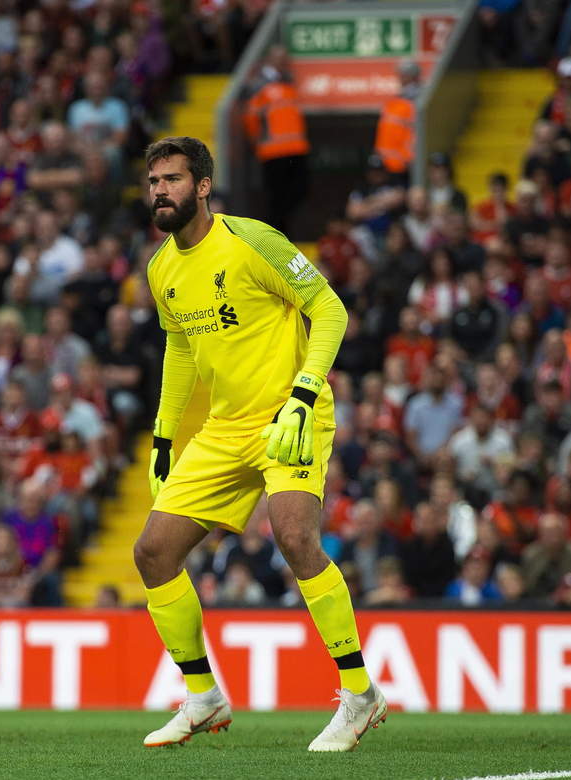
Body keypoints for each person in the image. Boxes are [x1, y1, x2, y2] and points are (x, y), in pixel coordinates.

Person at [134, 137, 385, 751]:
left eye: (172, 179)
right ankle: (203, 697)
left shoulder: (252, 241)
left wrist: (304, 392)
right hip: (225, 427)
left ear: (202, 187)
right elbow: (180, 349)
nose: (159, 190)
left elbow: (329, 309)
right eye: (153, 181)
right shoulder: (161, 268)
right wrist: (164, 434)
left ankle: (360, 695)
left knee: (295, 538)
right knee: (153, 553)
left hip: (288, 415)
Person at [243, 45, 309, 234]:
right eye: (280, 58)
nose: (284, 62)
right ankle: (275, 235)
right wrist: (258, 141)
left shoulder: (288, 82)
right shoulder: (259, 84)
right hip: (272, 151)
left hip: (296, 148)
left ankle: (279, 231)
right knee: (276, 197)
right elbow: (251, 117)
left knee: (299, 191)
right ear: (270, 59)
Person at [373, 59, 422, 180]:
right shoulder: (397, 101)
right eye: (400, 74)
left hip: (406, 164)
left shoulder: (417, 100)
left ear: (413, 77)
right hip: (388, 162)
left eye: (404, 74)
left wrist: (409, 158)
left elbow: (415, 133)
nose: (400, 78)